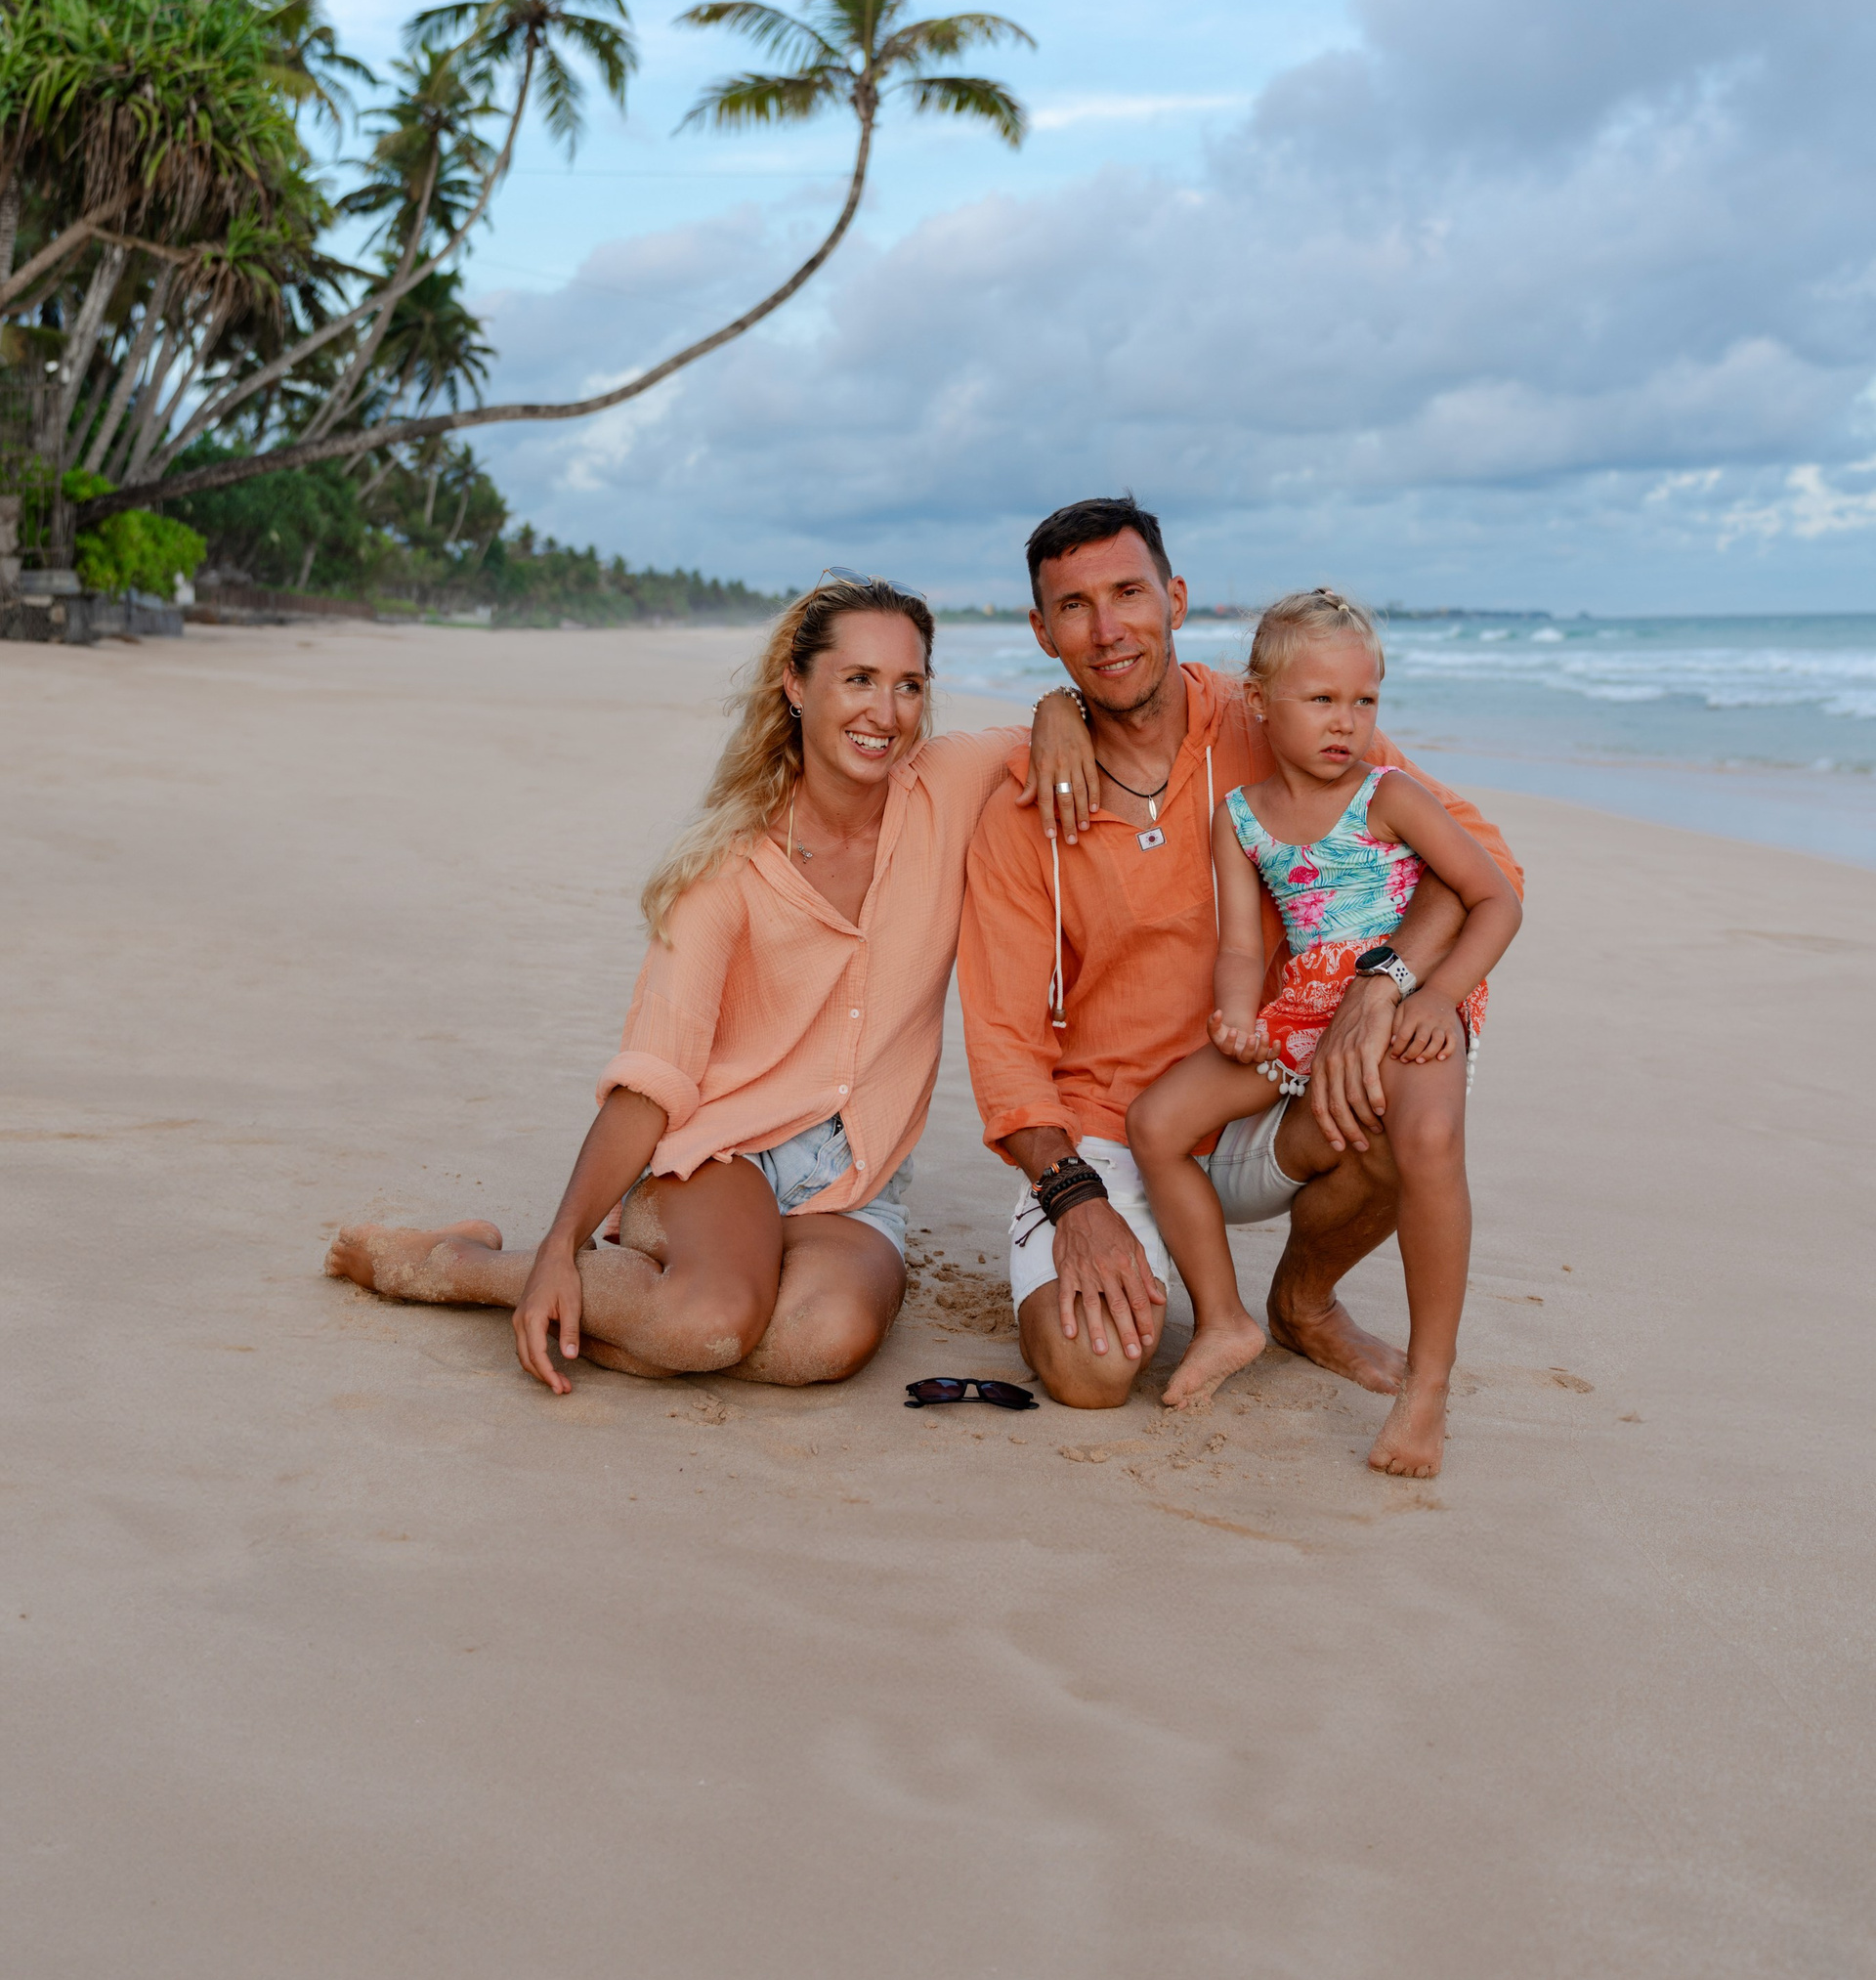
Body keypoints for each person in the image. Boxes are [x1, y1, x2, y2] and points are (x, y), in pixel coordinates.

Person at [326, 573, 1093, 1390]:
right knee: (711, 1320)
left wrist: (1057, 706)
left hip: (855, 1179)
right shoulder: (726, 865)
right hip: (724, 1149)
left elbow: (1079, 722)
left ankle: (662, 1308)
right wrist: (561, 1242)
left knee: (821, 1341)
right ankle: (462, 1265)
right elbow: (652, 1078)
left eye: (909, 684)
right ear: (797, 684)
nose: (886, 712)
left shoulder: (947, 786)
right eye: (858, 679)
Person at [957, 498, 1524, 1421]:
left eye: (1129, 593)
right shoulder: (1027, 808)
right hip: (1114, 1128)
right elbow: (1002, 1046)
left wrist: (1380, 984)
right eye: (1074, 607)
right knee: (1091, 1370)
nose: (1108, 630)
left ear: (1175, 598)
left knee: (1400, 1094)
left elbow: (1482, 864)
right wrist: (1074, 1199)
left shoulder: (1284, 716)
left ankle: (1303, 1304)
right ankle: (1195, 1295)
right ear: (1042, 630)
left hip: (1275, 1091)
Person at [1126, 588, 1521, 1472]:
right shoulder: (1240, 815)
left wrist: (1435, 995)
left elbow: (1495, 897)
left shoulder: (1390, 794)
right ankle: (1224, 1318)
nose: (1347, 722)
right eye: (1321, 699)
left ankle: (1428, 1386)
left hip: (1410, 999)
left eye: (1364, 700)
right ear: (1259, 701)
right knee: (1155, 1122)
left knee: (1428, 1139)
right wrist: (1236, 1017)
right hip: (1305, 1009)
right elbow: (1240, 946)